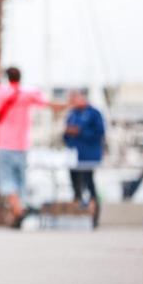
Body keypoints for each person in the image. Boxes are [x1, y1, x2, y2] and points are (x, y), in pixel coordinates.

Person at [0, 66, 62, 227]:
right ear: (20, 78)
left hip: (4, 145)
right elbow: (51, 105)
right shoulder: (28, 94)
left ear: (6, 78)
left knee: (6, 182)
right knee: (20, 182)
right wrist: (70, 104)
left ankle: (19, 210)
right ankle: (16, 213)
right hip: (22, 146)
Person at [63, 89, 105, 221]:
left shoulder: (94, 113)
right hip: (74, 156)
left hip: (89, 155)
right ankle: (78, 206)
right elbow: (66, 135)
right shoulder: (72, 114)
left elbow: (99, 133)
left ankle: (94, 209)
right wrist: (68, 133)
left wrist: (80, 131)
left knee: (89, 181)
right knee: (75, 182)